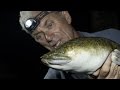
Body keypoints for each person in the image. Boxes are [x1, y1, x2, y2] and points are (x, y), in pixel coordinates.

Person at [19, 11, 120, 79]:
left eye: (50, 25)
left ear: (66, 17)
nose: (47, 38)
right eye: (38, 36)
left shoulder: (115, 35)